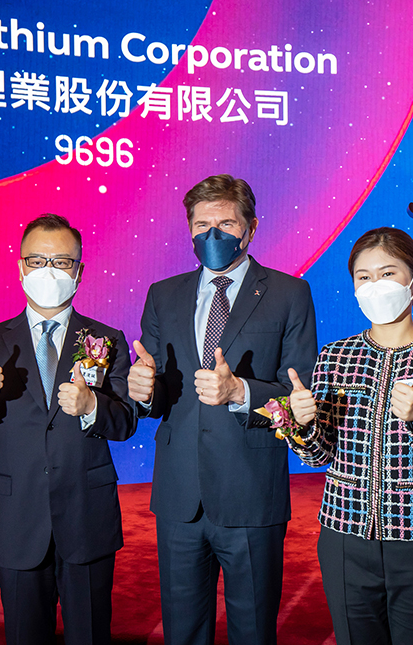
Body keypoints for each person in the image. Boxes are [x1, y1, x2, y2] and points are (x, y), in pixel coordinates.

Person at [127, 174, 318, 645]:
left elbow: (299, 394)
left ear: (251, 228)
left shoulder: (289, 293)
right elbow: (156, 393)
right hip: (179, 494)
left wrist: (240, 393)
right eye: (201, 225)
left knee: (252, 629)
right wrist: (143, 389)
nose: (212, 234)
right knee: (182, 631)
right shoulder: (162, 294)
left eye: (226, 224)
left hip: (250, 490)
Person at [0, 213, 136, 645]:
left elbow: (126, 422)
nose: (48, 271)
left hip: (87, 517)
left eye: (61, 262)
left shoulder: (107, 339)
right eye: (37, 260)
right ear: (21, 267)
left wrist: (91, 406)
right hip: (18, 521)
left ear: (79, 271)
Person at [285, 227, 413, 645]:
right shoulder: (335, 356)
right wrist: (303, 424)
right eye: (364, 277)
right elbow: (318, 455)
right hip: (344, 535)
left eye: (388, 273)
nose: (376, 285)